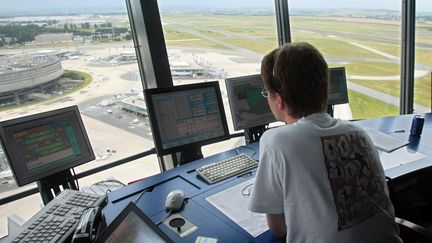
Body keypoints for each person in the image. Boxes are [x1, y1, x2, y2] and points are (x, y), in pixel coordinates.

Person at [248, 42, 401, 243]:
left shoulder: (276, 141)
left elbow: (277, 229)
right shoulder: (359, 132)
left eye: (267, 92)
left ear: (280, 100)